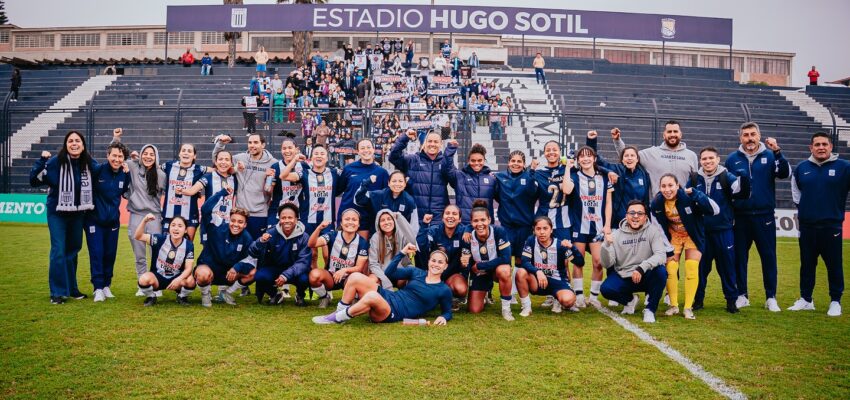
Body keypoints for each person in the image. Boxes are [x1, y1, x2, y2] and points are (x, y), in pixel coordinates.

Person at [725, 122, 789, 311]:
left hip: (764, 216)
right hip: (741, 216)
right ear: (740, 138)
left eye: (753, 134)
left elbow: (784, 173)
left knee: (768, 257)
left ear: (759, 136)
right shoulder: (732, 159)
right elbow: (728, 189)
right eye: (746, 135)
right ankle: (742, 295)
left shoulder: (770, 155)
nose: (750, 138)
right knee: (739, 258)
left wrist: (777, 151)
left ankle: (771, 297)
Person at [30, 131, 97, 303]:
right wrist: (41, 161)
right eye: (70, 141)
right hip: (57, 213)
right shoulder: (55, 162)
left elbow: (103, 172)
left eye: (77, 141)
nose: (74, 144)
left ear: (83, 145)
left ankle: (72, 289)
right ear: (66, 144)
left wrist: (125, 167)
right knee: (58, 250)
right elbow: (34, 180)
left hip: (77, 214)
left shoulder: (89, 162)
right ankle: (58, 292)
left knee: (73, 251)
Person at [312, 244, 453, 325]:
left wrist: (443, 317)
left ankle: (337, 318)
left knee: (372, 296)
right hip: (389, 296)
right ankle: (339, 312)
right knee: (354, 277)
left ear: (445, 266)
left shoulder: (443, 289)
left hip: (392, 312)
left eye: (440, 262)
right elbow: (389, 273)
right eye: (433, 260)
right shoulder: (416, 272)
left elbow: (447, 312)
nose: (436, 264)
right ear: (428, 262)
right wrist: (402, 253)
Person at [789, 132, 850, 317]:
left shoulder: (844, 167)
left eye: (824, 144)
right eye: (817, 144)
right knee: (807, 265)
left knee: (834, 265)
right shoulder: (801, 168)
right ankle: (806, 299)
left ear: (831, 147)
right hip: (807, 226)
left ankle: (835, 301)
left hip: (831, 226)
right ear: (811, 148)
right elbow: (796, 195)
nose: (821, 147)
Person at [650, 174, 718, 320]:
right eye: (663, 186)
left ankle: (688, 308)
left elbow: (715, 210)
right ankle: (673, 306)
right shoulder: (657, 202)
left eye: (670, 185)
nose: (667, 189)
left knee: (691, 268)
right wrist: (664, 245)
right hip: (673, 237)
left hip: (692, 236)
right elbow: (657, 226)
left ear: (677, 185)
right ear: (659, 187)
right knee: (670, 269)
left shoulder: (688, 197)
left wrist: (697, 194)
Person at [691, 147, 750, 313]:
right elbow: (687, 198)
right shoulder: (694, 178)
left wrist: (744, 178)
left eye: (711, 158)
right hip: (702, 233)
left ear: (718, 159)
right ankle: (698, 300)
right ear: (700, 161)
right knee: (700, 269)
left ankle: (731, 301)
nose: (707, 161)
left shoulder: (726, 177)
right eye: (704, 159)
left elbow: (742, 193)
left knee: (727, 268)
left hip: (724, 231)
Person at [112, 131, 166, 293]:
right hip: (136, 215)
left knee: (156, 253)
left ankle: (157, 285)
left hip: (155, 217)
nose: (148, 156)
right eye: (145, 153)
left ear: (156, 157)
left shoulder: (161, 174)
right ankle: (142, 285)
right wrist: (116, 138)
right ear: (141, 155)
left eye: (152, 154)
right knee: (139, 254)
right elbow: (115, 155)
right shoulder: (132, 166)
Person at [600, 201, 669, 323]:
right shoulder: (616, 235)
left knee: (661, 272)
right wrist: (606, 245)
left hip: (646, 274)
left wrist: (641, 268)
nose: (636, 216)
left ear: (645, 217)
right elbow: (607, 264)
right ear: (626, 216)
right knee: (606, 289)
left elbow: (661, 255)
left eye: (640, 213)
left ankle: (650, 310)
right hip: (625, 275)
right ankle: (630, 300)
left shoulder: (653, 231)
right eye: (632, 213)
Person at [564, 146, 614, 309]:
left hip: (597, 228)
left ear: (594, 158)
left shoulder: (604, 177)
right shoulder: (574, 176)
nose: (585, 159)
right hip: (579, 227)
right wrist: (568, 167)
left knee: (598, 262)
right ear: (578, 160)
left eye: (589, 156)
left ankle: (593, 297)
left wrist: (607, 225)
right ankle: (579, 296)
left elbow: (608, 203)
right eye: (582, 156)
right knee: (578, 262)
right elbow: (566, 190)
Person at [84, 139, 131, 302]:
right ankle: (97, 288)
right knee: (97, 253)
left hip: (113, 222)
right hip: (94, 221)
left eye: (120, 156)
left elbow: (125, 193)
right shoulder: (98, 170)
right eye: (114, 156)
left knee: (110, 254)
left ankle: (106, 285)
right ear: (108, 155)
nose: (117, 159)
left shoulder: (125, 174)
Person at [516, 216, 584, 317]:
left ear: (551, 230)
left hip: (558, 281)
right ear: (534, 230)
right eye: (538, 229)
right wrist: (537, 271)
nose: (542, 232)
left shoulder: (560, 245)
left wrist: (572, 247)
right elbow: (524, 262)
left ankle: (558, 298)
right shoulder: (531, 241)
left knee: (568, 301)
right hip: (538, 281)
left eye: (545, 228)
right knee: (521, 272)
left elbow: (580, 262)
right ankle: (526, 307)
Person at [213, 133, 277, 240]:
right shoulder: (240, 158)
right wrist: (220, 144)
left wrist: (269, 180)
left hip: (260, 213)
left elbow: (272, 190)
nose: (252, 145)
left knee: (258, 245)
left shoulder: (273, 163)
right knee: (239, 246)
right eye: (250, 142)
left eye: (255, 142)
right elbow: (217, 160)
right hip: (241, 213)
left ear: (263, 145)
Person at [389, 129, 458, 226]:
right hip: (415, 216)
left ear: (441, 144)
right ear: (425, 143)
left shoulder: (445, 162)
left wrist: (449, 155)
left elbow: (454, 182)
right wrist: (404, 138)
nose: (432, 144)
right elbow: (393, 157)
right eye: (429, 141)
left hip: (438, 217)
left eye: (436, 142)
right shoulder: (413, 160)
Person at [613, 121, 698, 197]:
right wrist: (617, 141)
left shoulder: (691, 156)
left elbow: (696, 182)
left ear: (680, 134)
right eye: (669, 132)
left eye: (675, 131)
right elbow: (628, 157)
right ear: (664, 135)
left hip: (682, 205)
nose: (672, 134)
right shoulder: (651, 153)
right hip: (658, 205)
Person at [249, 203, 312, 305]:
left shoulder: (304, 237)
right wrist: (260, 242)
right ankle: (275, 294)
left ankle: (300, 295)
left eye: (290, 217)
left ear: (296, 219)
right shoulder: (271, 233)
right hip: (275, 268)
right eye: (283, 218)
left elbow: (303, 262)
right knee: (260, 276)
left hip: (295, 270)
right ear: (279, 219)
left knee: (305, 278)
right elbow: (252, 252)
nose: (286, 220)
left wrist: (285, 275)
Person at [462, 200, 515, 321]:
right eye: (476, 221)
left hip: (495, 270)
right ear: (471, 223)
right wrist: (464, 262)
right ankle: (485, 293)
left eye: (483, 220)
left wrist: (480, 266)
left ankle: (506, 308)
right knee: (474, 309)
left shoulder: (498, 231)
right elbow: (467, 264)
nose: (480, 224)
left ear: (489, 220)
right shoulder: (468, 236)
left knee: (504, 270)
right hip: (480, 274)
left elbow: (505, 258)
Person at [193, 204, 256, 307]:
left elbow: (251, 260)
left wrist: (237, 267)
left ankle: (227, 293)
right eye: (233, 220)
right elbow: (205, 210)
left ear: (245, 225)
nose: (236, 224)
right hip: (210, 270)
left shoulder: (247, 238)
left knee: (253, 273)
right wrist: (222, 194)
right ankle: (205, 294)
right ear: (229, 220)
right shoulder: (217, 229)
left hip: (228, 274)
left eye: (240, 222)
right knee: (203, 274)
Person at [586, 129, 651, 227]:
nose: (629, 158)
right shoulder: (617, 170)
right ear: (622, 160)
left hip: (638, 223)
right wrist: (591, 141)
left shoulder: (643, 174)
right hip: (619, 223)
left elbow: (646, 201)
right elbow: (597, 161)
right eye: (626, 156)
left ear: (637, 159)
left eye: (632, 155)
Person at [307, 209, 370, 308]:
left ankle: (354, 298)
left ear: (358, 224)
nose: (350, 222)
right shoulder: (332, 235)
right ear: (341, 223)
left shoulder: (363, 243)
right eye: (347, 219)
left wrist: (344, 270)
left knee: (357, 276)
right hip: (331, 277)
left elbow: (359, 268)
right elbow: (311, 244)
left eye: (354, 220)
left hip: (349, 279)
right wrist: (319, 229)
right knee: (314, 275)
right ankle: (325, 297)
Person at [135, 214, 196, 306]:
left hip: (176, 278)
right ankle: (151, 296)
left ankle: (182, 296)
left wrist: (178, 279)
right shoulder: (159, 239)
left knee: (190, 281)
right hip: (158, 277)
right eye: (173, 225)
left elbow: (189, 268)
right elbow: (138, 236)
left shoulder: (189, 245)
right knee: (143, 279)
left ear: (185, 230)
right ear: (169, 228)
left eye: (180, 226)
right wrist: (144, 221)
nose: (176, 228)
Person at [417, 204, 468, 307]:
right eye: (447, 213)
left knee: (461, 289)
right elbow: (421, 246)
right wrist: (424, 225)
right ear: (442, 217)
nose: (450, 216)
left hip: (452, 275)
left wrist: (465, 263)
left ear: (459, 219)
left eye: (454, 214)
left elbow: (469, 255)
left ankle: (451, 296)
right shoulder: (434, 231)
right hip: (433, 274)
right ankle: (435, 292)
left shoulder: (464, 232)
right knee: (424, 299)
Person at [337, 138, 390, 237]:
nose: (366, 150)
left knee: (363, 246)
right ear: (357, 151)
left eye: (368, 147)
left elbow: (387, 196)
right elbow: (338, 189)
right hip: (348, 216)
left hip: (368, 218)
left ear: (373, 149)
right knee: (342, 246)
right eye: (362, 148)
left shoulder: (382, 172)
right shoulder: (349, 168)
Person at [160, 144, 207, 240]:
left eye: (189, 151)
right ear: (179, 153)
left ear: (194, 156)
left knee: (187, 245)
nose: (186, 153)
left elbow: (217, 169)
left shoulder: (199, 169)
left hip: (190, 215)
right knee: (166, 245)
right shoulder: (168, 166)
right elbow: (153, 167)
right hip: (169, 215)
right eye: (184, 150)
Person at [354, 170, 419, 234]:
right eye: (394, 181)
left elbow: (414, 226)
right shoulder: (378, 195)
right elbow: (358, 200)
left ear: (405, 184)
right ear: (388, 183)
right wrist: (366, 183)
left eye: (400, 181)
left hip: (399, 238)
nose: (397, 184)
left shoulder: (409, 201)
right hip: (378, 236)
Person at [447, 144, 496, 224]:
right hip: (464, 224)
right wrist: (450, 149)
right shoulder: (460, 176)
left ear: (484, 160)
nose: (476, 163)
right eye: (473, 160)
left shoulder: (492, 179)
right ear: (468, 161)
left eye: (479, 160)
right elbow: (448, 169)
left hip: (485, 225)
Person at [368, 209, 418, 289]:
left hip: (399, 271)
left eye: (389, 219)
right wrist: (386, 282)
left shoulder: (401, 234)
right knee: (371, 280)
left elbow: (412, 241)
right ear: (378, 223)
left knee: (412, 275)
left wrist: (399, 218)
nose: (386, 222)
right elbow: (373, 264)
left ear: (394, 221)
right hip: (382, 273)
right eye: (382, 220)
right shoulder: (375, 238)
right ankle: (377, 295)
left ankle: (404, 296)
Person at [266, 137, 307, 230]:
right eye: (284, 148)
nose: (287, 151)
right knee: (271, 236)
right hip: (277, 211)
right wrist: (268, 182)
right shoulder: (275, 167)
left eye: (290, 148)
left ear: (297, 149)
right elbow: (267, 191)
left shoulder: (304, 166)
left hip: (299, 212)